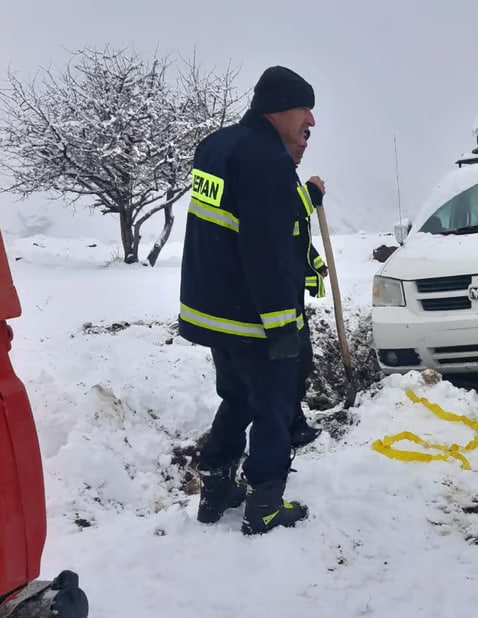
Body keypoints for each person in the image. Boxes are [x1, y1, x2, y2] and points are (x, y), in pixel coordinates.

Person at [178, 65, 317, 535]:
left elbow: (244, 217)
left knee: (236, 398)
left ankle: (216, 487)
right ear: (280, 109)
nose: (312, 121)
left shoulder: (218, 147)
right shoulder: (268, 163)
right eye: (305, 108)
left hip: (218, 312)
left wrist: (307, 197)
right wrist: (283, 328)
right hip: (258, 317)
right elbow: (268, 250)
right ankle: (265, 503)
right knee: (274, 409)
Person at [286, 129, 328, 451]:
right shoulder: (272, 179)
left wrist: (315, 264)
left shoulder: (285, 179)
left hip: (290, 297)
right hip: (277, 301)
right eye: (301, 134)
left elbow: (297, 238)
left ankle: (293, 419)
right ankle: (287, 424)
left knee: (301, 359)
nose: (305, 143)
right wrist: (309, 195)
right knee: (292, 360)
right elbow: (286, 215)